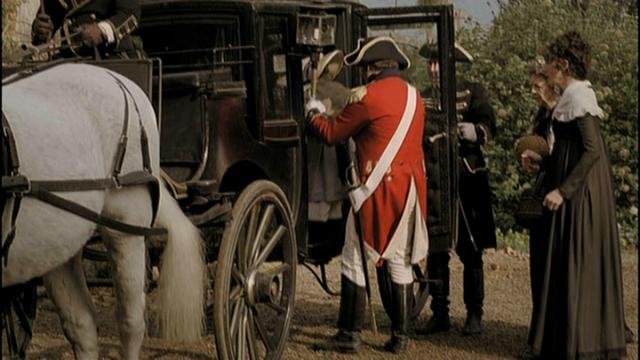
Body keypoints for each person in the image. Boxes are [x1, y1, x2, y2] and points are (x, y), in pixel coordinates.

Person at [305, 36, 428, 353]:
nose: (361, 74)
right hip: (411, 190)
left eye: (363, 68)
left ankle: (349, 334)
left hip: (377, 190)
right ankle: (400, 338)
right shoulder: (416, 96)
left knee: (354, 257)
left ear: (372, 68)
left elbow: (331, 134)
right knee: (399, 261)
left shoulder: (369, 98)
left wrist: (313, 113)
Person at [528, 30, 627, 358]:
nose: (549, 70)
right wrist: (543, 160)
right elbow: (570, 148)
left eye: (553, 63)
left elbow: (591, 150)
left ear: (564, 64)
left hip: (582, 197)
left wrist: (563, 191)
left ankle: (581, 345)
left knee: (578, 264)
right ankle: (565, 342)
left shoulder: (581, 97)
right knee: (567, 266)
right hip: (574, 190)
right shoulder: (570, 97)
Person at [416, 42, 497, 336]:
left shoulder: (472, 91)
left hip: (467, 179)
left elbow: (489, 123)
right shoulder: (421, 96)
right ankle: (440, 313)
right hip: (435, 180)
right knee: (437, 250)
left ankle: (474, 314)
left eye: (439, 63)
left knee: (471, 250)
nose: (434, 68)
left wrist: (475, 132)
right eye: (431, 63)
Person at [31, 0, 144, 59]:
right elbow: (44, 31)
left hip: (112, 56)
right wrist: (41, 31)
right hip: (71, 58)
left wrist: (101, 30)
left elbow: (131, 13)